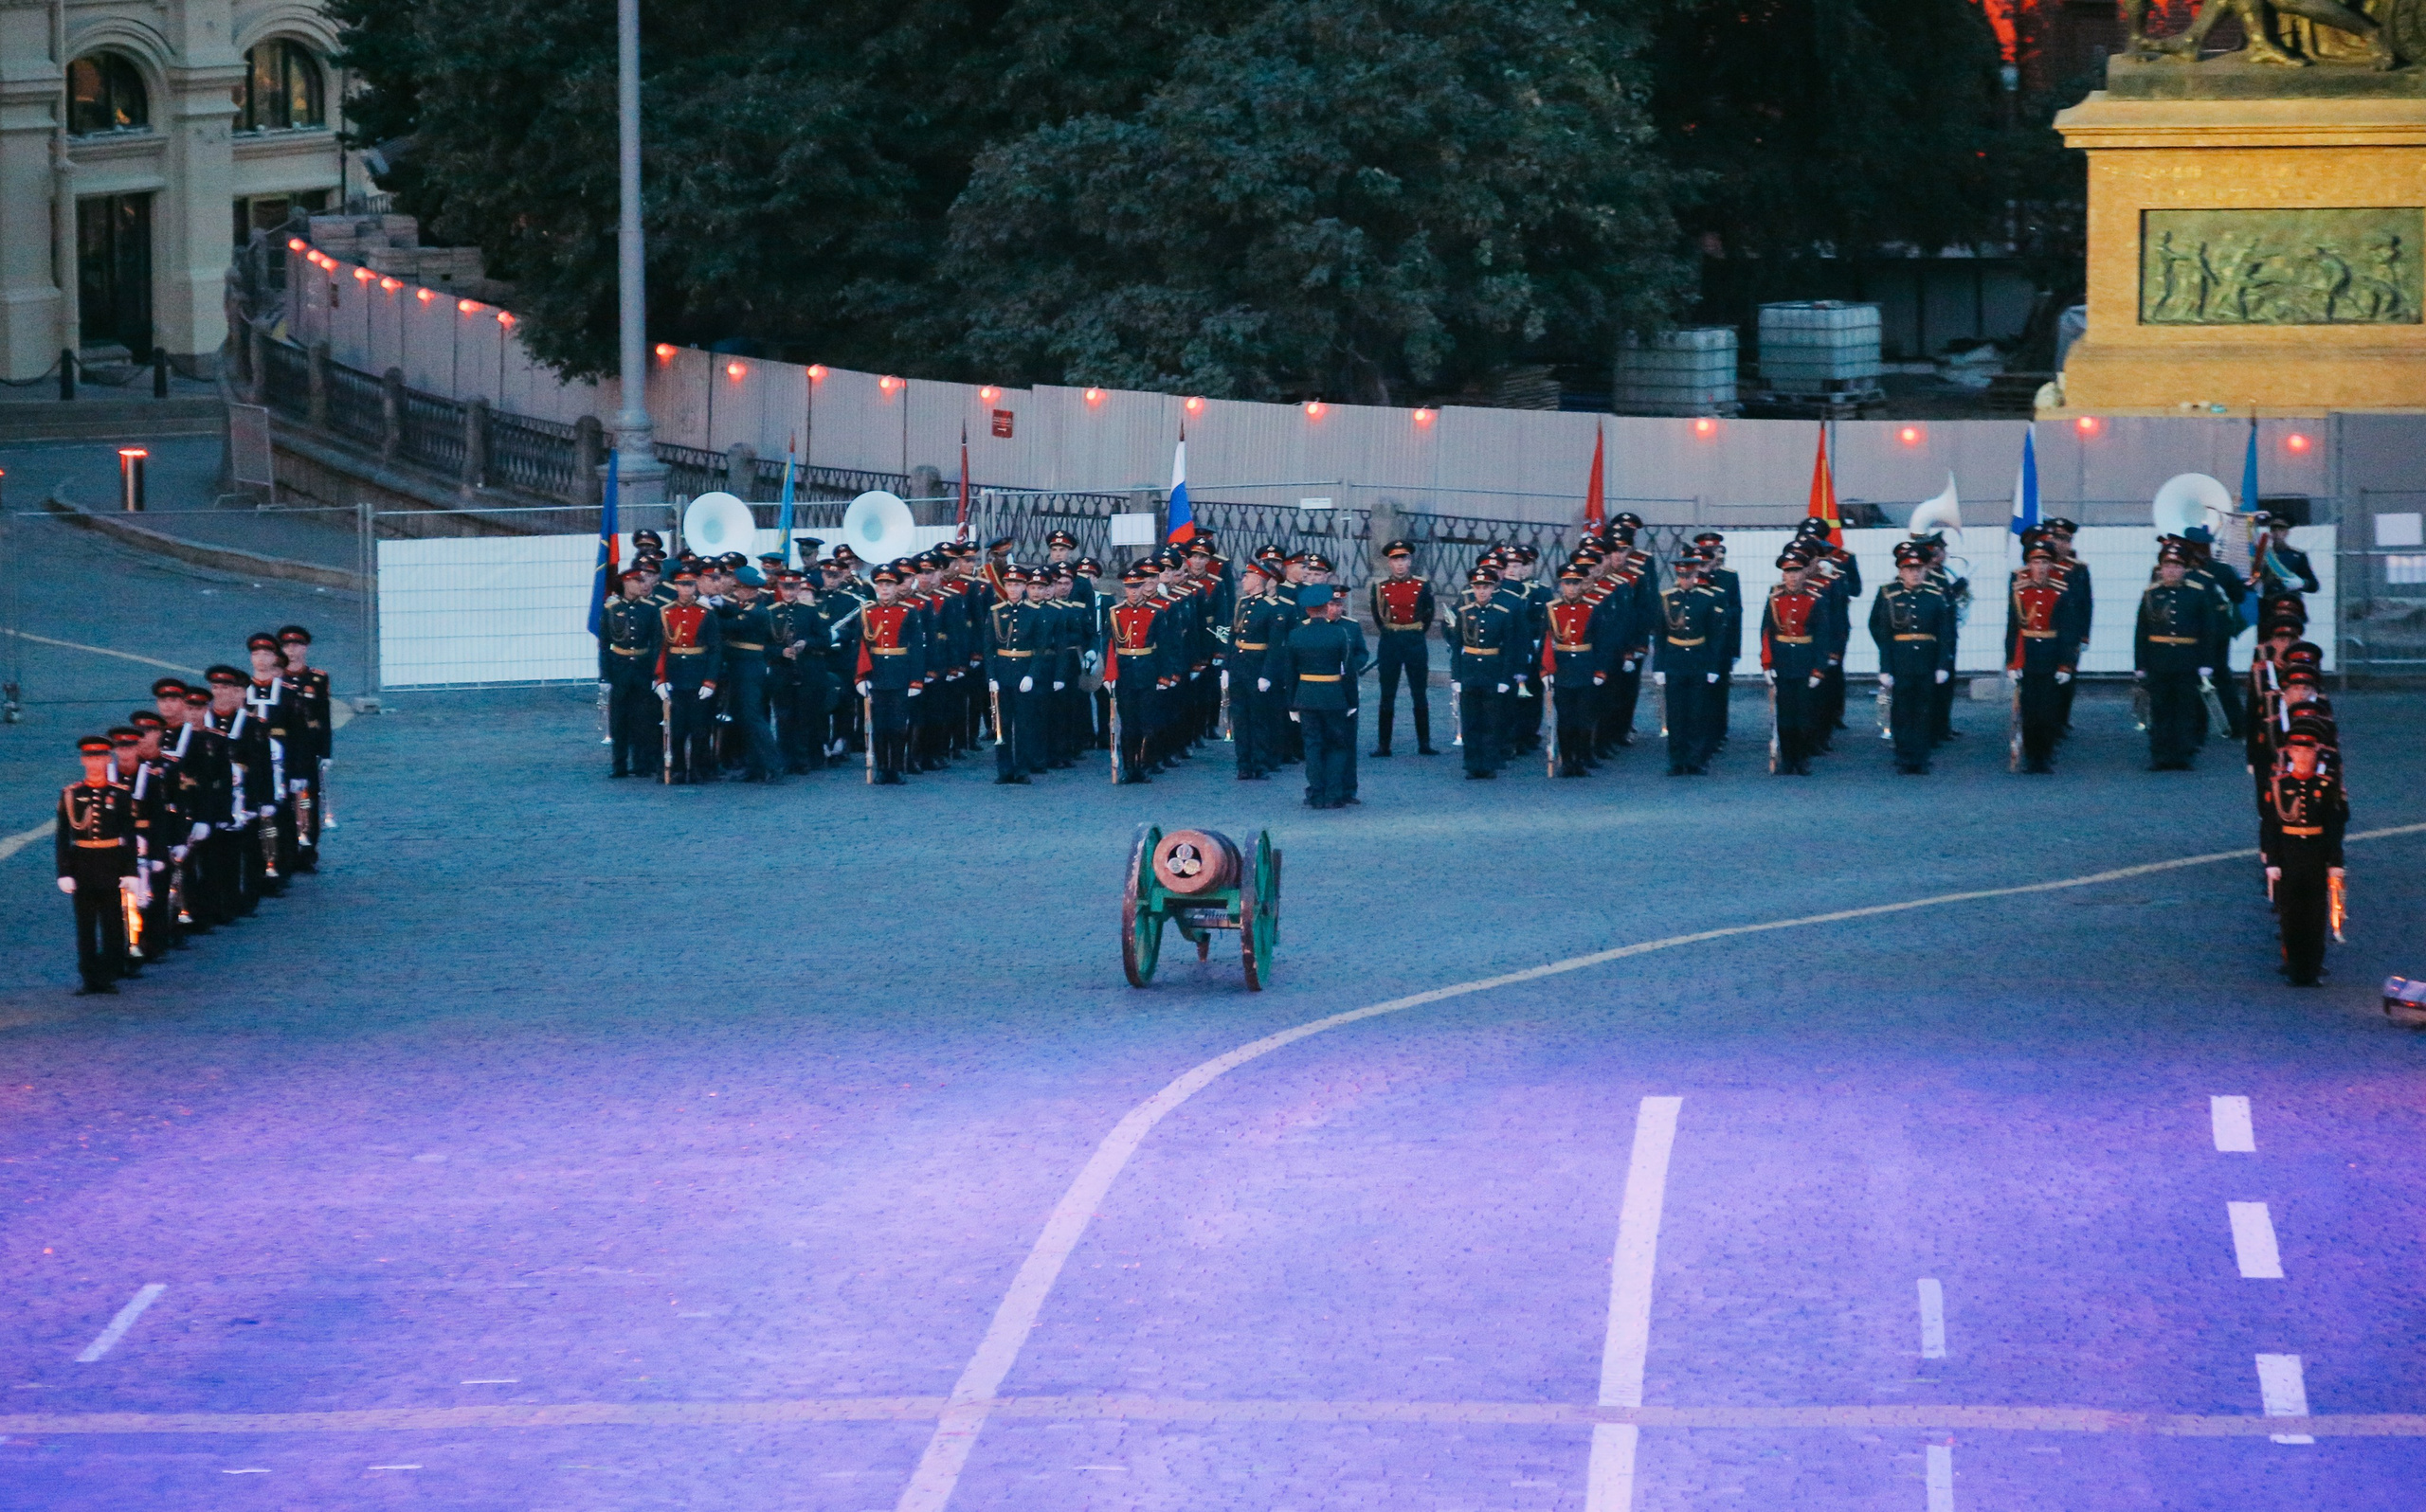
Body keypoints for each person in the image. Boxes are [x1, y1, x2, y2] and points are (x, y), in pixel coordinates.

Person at [2260, 723, 2346, 987]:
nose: (2302, 756)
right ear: (2290, 753)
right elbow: (2270, 826)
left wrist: (2335, 861)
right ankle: (2296, 968)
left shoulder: (2325, 785)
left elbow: (2334, 827)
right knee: (2291, 915)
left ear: (2315, 753)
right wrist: (2272, 861)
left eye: (2307, 751)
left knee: (2315, 915)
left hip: (2316, 856)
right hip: (2289, 857)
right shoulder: (2278, 785)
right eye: (2297, 751)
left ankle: (2312, 968)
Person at [1273, 584, 1368, 808]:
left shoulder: (1296, 635)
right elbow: (1348, 673)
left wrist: (1292, 705)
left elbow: (1290, 673)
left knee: (1313, 747)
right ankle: (1334, 794)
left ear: (1307, 610)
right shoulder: (1339, 633)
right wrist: (1352, 701)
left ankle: (1316, 793)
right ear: (1326, 607)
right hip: (1334, 696)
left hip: (1306, 696)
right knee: (1337, 746)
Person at [58, 734, 137, 995]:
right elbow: (62, 837)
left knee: (113, 925)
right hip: (82, 865)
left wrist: (130, 871)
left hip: (111, 862)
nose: (95, 762)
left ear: (108, 759)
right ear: (83, 760)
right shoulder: (71, 794)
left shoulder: (120, 794)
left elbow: (129, 835)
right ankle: (89, 977)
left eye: (100, 757)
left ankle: (108, 974)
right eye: (90, 757)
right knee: (86, 927)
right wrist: (64, 872)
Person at [1869, 542, 1957, 775]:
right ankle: (1904, 755)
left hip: (1927, 662)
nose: (1915, 573)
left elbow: (1944, 633)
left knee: (1924, 711)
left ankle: (1921, 757)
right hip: (1901, 661)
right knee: (1902, 711)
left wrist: (1942, 665)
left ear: (1925, 570)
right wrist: (1885, 668)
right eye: (1909, 569)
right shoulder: (1890, 595)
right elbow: (1885, 635)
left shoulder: (1935, 595)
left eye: (1919, 568)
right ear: (1901, 571)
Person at [2135, 542, 2217, 771]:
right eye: (2167, 566)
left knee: (2184, 709)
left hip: (2186, 660)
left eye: (2177, 566)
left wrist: (2206, 663)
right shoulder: (2151, 594)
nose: (2172, 571)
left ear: (2184, 569)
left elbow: (2207, 630)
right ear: (2161, 569)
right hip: (2158, 660)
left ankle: (2182, 754)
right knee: (2160, 709)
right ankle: (2160, 754)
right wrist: (2140, 664)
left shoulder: (2196, 593)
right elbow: (2141, 632)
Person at [2004, 543, 2080, 774]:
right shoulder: (2020, 591)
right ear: (2029, 564)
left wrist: (2066, 664)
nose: (2040, 567)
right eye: (2036, 562)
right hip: (2026, 656)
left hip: (2051, 656)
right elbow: (2013, 628)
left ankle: (2044, 757)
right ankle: (2031, 756)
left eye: (2045, 562)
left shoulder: (2060, 591)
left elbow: (2068, 631)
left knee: (2047, 711)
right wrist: (2011, 662)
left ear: (2051, 565)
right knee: (2029, 711)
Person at [1759, 549, 1834, 776]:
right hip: (1782, 662)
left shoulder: (1814, 600)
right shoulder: (1774, 599)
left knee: (1803, 715)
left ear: (1804, 573)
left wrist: (1818, 669)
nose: (1792, 576)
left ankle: (1801, 760)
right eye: (1788, 572)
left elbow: (1822, 636)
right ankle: (1787, 760)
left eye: (1796, 571)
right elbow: (1767, 633)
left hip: (1804, 662)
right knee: (1784, 716)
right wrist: (1767, 664)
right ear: (1783, 575)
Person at [854, 562, 929, 784]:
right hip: (876, 673)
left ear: (896, 587)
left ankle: (897, 767)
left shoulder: (909, 612)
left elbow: (916, 648)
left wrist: (916, 680)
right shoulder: (868, 612)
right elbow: (861, 646)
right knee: (878, 725)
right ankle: (882, 767)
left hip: (900, 673)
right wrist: (860, 676)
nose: (885, 589)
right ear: (876, 588)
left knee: (897, 725)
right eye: (881, 585)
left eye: (889, 585)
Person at [1655, 551, 1729, 776]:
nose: (1686, 580)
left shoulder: (1707, 598)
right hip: (1675, 660)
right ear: (1678, 576)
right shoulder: (1666, 598)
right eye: (1682, 576)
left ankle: (1696, 759)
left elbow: (1715, 636)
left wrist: (1713, 667)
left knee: (1698, 712)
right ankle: (1677, 760)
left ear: (1696, 575)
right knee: (1676, 713)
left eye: (1690, 575)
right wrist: (1659, 666)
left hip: (1698, 659)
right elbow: (1659, 635)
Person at [1367, 540, 1439, 757]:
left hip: (1414, 640)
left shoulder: (1422, 585)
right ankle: (1384, 744)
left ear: (1410, 561)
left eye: (1404, 559)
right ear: (1389, 563)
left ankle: (1424, 743)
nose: (1400, 564)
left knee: (1419, 693)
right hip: (1391, 640)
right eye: (1396, 560)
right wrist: (1392, 632)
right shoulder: (1380, 587)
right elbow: (1377, 616)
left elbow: (1428, 613)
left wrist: (1414, 631)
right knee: (1387, 693)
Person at [654, 568, 723, 783]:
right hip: (675, 674)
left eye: (690, 584)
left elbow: (715, 649)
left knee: (699, 727)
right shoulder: (665, 612)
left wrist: (710, 680)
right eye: (682, 584)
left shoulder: (706, 613)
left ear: (696, 586)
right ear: (676, 586)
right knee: (676, 728)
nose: (686, 589)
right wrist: (660, 678)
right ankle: (677, 769)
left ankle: (697, 769)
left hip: (698, 673)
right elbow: (660, 648)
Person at [1444, 566, 1515, 778]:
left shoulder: (1502, 614)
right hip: (1469, 671)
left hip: (1492, 671)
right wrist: (1456, 676)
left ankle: (1489, 764)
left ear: (1493, 589)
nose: (1482, 591)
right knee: (1471, 720)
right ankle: (1472, 763)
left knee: (1491, 721)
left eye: (1486, 587)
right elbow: (1456, 647)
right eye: (1478, 587)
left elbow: (1509, 648)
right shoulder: (1465, 613)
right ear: (1473, 589)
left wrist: (1505, 677)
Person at [986, 566, 1054, 783]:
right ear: (1004, 587)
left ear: (1024, 587)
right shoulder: (995, 611)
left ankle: (1022, 769)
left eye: (1017, 584)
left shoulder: (1034, 612)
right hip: (1003, 672)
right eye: (1009, 584)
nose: (1013, 589)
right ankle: (1004, 769)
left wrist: (1031, 674)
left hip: (1024, 673)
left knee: (1024, 724)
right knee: (1001, 725)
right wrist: (991, 677)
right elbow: (988, 648)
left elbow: (1040, 647)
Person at [1106, 564, 1171, 783]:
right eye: (1129, 587)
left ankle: (1144, 766)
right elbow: (1109, 646)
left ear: (1144, 587)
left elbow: (1164, 646)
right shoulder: (1115, 613)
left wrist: (1164, 676)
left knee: (1147, 724)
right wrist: (1109, 675)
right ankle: (1129, 767)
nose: (1133, 591)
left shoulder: (1155, 612)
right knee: (1128, 725)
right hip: (1125, 674)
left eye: (1137, 586)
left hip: (1147, 671)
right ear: (1124, 588)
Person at [716, 567, 783, 783]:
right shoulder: (745, 607)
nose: (736, 592)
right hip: (739, 667)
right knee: (743, 718)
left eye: (739, 589)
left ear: (748, 590)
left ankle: (772, 765)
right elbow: (733, 612)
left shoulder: (758, 611)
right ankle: (754, 765)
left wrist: (711, 612)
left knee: (753, 718)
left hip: (749, 668)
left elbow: (732, 624)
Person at [598, 568, 663, 779]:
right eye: (637, 581)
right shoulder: (611, 608)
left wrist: (655, 672)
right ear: (626, 583)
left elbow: (656, 643)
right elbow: (605, 645)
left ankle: (641, 763)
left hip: (642, 668)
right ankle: (619, 764)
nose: (642, 585)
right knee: (619, 719)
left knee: (642, 719)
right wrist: (605, 676)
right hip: (620, 668)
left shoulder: (651, 609)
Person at [277, 625, 332, 868]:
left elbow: (324, 716)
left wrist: (326, 751)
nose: (292, 650)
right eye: (287, 646)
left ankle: (308, 847)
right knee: (284, 799)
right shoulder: (276, 679)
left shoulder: (318, 678)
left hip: (308, 748)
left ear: (305, 647)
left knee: (308, 799)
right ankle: (286, 849)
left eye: (297, 645)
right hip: (282, 747)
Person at [769, 570, 834, 774]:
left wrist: (806, 643)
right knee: (783, 716)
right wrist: (781, 651)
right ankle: (785, 758)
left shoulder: (810, 612)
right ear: (779, 588)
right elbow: (763, 645)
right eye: (785, 587)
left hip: (807, 670)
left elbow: (825, 640)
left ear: (799, 588)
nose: (789, 592)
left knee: (806, 715)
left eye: (793, 588)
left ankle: (803, 758)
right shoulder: (771, 611)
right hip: (782, 671)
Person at [1230, 562, 1289, 781]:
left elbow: (1275, 646)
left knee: (1259, 718)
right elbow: (1233, 637)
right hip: (1239, 665)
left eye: (1247, 576)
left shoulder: (1272, 607)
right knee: (1240, 717)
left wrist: (1266, 674)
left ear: (1258, 580)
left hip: (1257, 666)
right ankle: (1243, 763)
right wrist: (1227, 668)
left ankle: (1260, 762)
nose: (1244, 580)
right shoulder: (1242, 604)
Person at [1691, 531, 1743, 744]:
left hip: (1721, 642)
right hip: (1695, 642)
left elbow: (1736, 611)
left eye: (1713, 552)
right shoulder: (1691, 577)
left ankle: (1718, 732)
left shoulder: (1728, 577)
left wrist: (1734, 649)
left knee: (1718, 691)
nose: (1710, 556)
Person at [2252, 511, 2319, 627]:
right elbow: (2252, 580)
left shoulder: (2298, 556)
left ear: (2287, 532)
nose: (2277, 533)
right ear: (2270, 532)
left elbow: (2314, 586)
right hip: (2269, 607)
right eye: (2274, 529)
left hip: (2290, 605)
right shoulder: (2263, 555)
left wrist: (2301, 583)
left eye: (2281, 529)